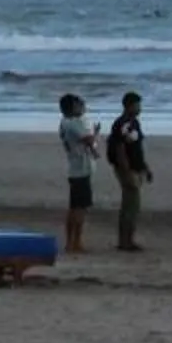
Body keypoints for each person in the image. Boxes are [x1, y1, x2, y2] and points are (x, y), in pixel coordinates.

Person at [107, 90, 152, 251]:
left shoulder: (135, 123)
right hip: (127, 169)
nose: (139, 108)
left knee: (133, 205)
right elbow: (120, 149)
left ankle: (128, 239)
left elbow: (137, 148)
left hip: (136, 166)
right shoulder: (122, 124)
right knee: (130, 204)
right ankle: (124, 240)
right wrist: (126, 170)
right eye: (137, 105)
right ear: (129, 106)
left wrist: (145, 168)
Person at [58, 92, 99, 255]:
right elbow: (88, 139)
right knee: (79, 208)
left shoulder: (65, 123)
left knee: (75, 207)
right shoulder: (73, 123)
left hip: (76, 168)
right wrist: (95, 132)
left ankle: (71, 242)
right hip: (80, 169)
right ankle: (75, 242)